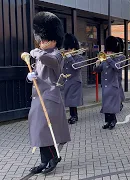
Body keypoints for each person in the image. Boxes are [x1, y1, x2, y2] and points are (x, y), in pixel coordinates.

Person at [27, 11, 71, 174]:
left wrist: (36, 52)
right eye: (41, 39)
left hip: (50, 99)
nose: (42, 42)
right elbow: (38, 74)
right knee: (39, 131)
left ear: (55, 39)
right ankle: (44, 161)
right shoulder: (42, 54)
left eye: (46, 39)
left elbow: (48, 60)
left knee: (47, 131)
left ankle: (53, 158)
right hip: (38, 98)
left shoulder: (57, 55)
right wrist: (30, 76)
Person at [94, 36, 122, 130]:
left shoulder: (117, 58)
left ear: (113, 51)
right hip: (105, 86)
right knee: (106, 105)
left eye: (110, 51)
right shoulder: (105, 60)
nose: (108, 53)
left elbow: (117, 68)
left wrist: (109, 59)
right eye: (107, 51)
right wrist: (97, 64)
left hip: (112, 86)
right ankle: (107, 121)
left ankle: (113, 121)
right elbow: (98, 70)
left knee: (111, 105)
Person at [62, 33, 84, 124]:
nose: (69, 50)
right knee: (67, 99)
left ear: (75, 48)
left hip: (75, 81)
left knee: (72, 100)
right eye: (68, 48)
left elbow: (77, 67)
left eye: (71, 48)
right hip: (66, 80)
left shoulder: (79, 57)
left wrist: (70, 57)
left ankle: (74, 116)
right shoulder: (64, 57)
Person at [116, 37, 126, 111]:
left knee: (118, 90)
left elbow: (120, 65)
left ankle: (120, 103)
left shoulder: (122, 56)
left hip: (117, 76)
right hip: (110, 77)